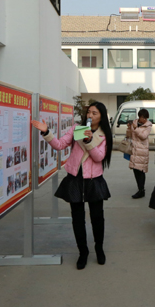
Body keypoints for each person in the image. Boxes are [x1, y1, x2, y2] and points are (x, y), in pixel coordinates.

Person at [32, 102, 112, 270]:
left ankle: (99, 248)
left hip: (94, 180)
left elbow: (98, 157)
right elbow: (60, 145)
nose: (90, 115)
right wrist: (46, 132)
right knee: (77, 218)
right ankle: (83, 252)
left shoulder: (104, 134)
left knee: (97, 217)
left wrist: (89, 140)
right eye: (89, 112)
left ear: (101, 117)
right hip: (75, 179)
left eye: (95, 113)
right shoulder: (77, 128)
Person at [127, 109, 152, 199]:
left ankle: (141, 190)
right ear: (139, 117)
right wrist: (129, 128)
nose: (144, 120)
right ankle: (140, 189)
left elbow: (143, 136)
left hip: (142, 151)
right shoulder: (134, 123)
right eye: (142, 118)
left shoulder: (148, 125)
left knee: (141, 171)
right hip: (135, 150)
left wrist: (136, 128)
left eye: (145, 118)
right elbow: (129, 135)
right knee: (135, 170)